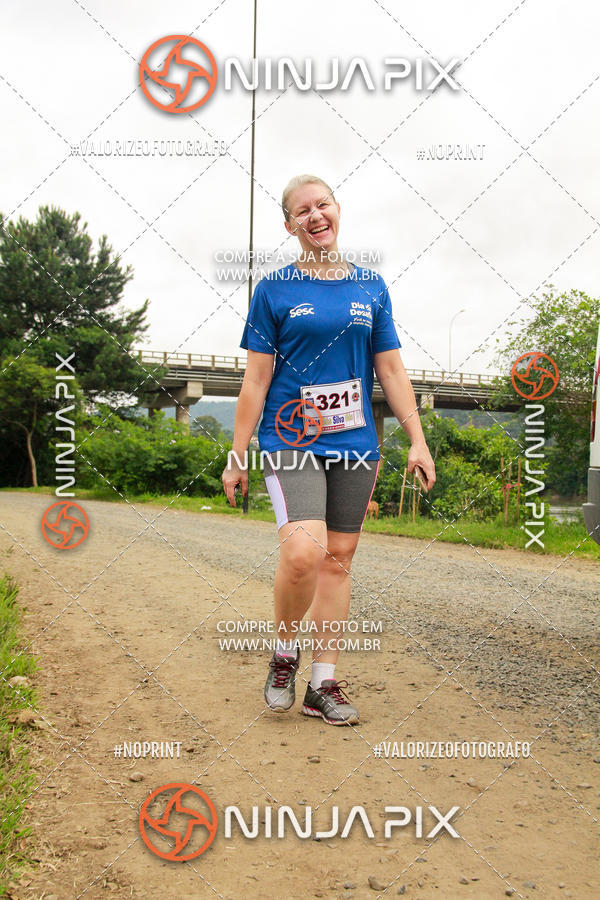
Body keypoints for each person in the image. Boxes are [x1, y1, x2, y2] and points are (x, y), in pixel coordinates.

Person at [222, 174, 436, 726]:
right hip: (290, 437)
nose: (315, 216)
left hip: (356, 443)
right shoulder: (274, 290)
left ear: (338, 209)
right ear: (288, 225)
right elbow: (255, 380)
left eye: (323, 205)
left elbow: (389, 368)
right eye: (302, 211)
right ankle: (285, 653)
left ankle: (323, 683)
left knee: (337, 563)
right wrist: (238, 453)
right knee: (303, 553)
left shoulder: (371, 287)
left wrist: (417, 439)